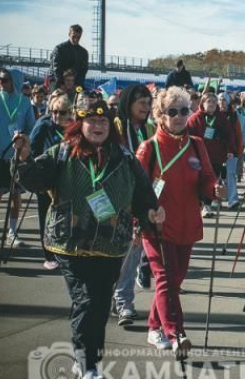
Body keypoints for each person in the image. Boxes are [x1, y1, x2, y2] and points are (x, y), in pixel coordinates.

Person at [12, 99, 164, 379]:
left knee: (100, 303)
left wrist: (151, 212)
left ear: (110, 125)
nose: (97, 126)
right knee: (87, 300)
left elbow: (143, 193)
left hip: (111, 244)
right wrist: (23, 157)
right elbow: (35, 181)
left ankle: (87, 358)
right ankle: (87, 365)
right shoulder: (62, 152)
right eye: (91, 121)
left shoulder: (125, 157)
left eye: (102, 121)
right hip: (70, 243)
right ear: (80, 124)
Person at [135, 86, 224, 355]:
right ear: (160, 115)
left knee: (174, 281)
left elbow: (207, 177)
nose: (179, 116)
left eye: (184, 111)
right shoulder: (149, 147)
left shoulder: (196, 144)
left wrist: (214, 189)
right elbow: (135, 189)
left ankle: (154, 327)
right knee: (165, 279)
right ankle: (176, 334)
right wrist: (144, 214)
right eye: (172, 111)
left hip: (187, 223)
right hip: (158, 225)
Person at [111, 84, 157, 324]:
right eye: (141, 101)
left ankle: (123, 301)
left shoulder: (150, 129)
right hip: (115, 198)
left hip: (141, 200)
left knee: (133, 250)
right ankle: (115, 297)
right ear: (128, 102)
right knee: (115, 253)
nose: (145, 106)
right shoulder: (115, 127)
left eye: (148, 102)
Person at [28, 89, 74, 270]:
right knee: (46, 217)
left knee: (65, 217)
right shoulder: (44, 124)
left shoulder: (74, 128)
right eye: (54, 111)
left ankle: (63, 250)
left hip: (67, 180)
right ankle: (48, 255)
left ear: (70, 112)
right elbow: (33, 149)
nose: (57, 116)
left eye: (61, 112)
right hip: (46, 180)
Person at [0, 69, 36, 248]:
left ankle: (12, 232)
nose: (1, 82)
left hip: (17, 158)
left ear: (15, 81)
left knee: (16, 197)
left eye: (5, 79)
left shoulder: (25, 102)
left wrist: (24, 139)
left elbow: (31, 127)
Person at [187, 91, 238, 217]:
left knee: (212, 181)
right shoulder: (195, 118)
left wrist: (230, 150)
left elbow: (230, 135)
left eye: (214, 102)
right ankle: (199, 204)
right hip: (198, 157)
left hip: (216, 157)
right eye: (209, 101)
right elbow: (188, 137)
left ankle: (207, 205)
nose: (212, 104)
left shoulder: (221, 118)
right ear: (202, 103)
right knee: (198, 181)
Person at [218, 92, 244, 209]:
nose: (221, 102)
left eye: (224, 100)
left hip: (231, 152)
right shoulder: (213, 116)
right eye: (219, 100)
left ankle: (233, 200)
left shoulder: (233, 116)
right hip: (216, 152)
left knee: (231, 175)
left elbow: (238, 135)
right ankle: (216, 199)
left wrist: (238, 151)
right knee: (218, 176)